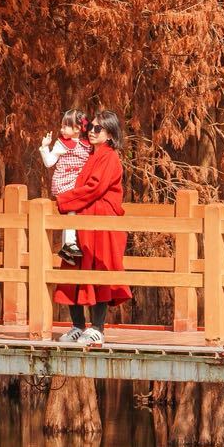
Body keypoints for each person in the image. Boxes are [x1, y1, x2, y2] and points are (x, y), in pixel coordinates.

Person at [54, 110, 131, 346]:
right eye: (92, 127)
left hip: (101, 222)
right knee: (74, 267)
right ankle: (77, 326)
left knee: (99, 269)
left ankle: (97, 327)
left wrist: (65, 201)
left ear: (109, 134)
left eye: (99, 129)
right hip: (83, 219)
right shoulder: (89, 154)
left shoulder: (110, 157)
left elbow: (94, 189)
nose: (93, 131)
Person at [40, 108, 91, 268]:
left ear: (77, 128)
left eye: (65, 126)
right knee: (72, 208)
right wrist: (44, 147)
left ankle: (68, 247)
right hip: (65, 182)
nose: (61, 130)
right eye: (61, 126)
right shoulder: (61, 144)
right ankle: (69, 243)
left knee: (75, 210)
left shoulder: (86, 144)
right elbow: (49, 162)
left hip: (78, 183)